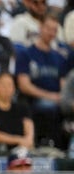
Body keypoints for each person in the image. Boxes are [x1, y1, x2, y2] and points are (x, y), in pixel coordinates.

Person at [15, 14, 68, 149]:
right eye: (48, 28)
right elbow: (24, 85)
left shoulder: (59, 57)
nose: (51, 33)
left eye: (54, 30)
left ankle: (65, 148)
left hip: (57, 99)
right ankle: (44, 143)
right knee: (47, 107)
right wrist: (49, 96)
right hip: (33, 99)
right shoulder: (26, 54)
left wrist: (63, 98)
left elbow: (63, 84)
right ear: (40, 28)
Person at [0, 72, 35, 155]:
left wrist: (28, 140)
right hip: (0, 150)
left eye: (9, 85)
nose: (6, 88)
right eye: (3, 85)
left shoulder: (23, 108)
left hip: (23, 149)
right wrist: (19, 140)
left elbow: (29, 128)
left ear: (14, 88)